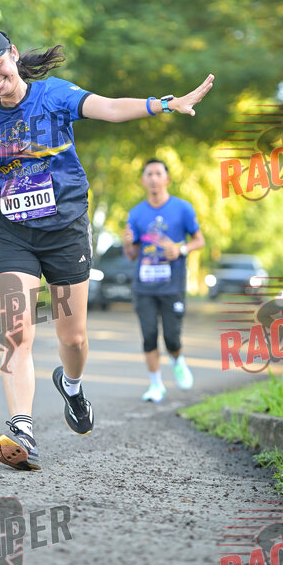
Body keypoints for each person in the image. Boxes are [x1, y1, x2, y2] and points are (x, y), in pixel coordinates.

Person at [0, 27, 214, 470]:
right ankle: (22, 429)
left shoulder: (54, 95)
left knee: (72, 338)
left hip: (66, 233)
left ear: (12, 55)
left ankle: (72, 386)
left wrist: (165, 104)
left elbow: (110, 108)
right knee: (17, 333)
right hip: (13, 236)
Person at [123, 159, 205, 403]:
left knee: (172, 338)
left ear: (167, 179)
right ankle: (156, 385)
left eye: (158, 173)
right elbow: (132, 255)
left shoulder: (183, 208)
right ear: (143, 180)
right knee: (149, 335)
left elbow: (199, 240)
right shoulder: (136, 213)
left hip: (173, 284)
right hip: (144, 285)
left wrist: (180, 249)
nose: (153, 178)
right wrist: (127, 243)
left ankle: (177, 360)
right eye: (149, 174)